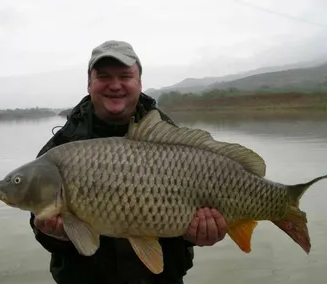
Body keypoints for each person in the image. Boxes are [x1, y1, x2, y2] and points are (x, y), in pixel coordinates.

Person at [29, 40, 228, 284]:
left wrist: (199, 234)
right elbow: (39, 225)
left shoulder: (171, 140)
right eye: (103, 76)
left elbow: (186, 224)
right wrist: (55, 234)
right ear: (89, 83)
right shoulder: (60, 150)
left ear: (139, 83)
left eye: (125, 76)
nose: (115, 85)